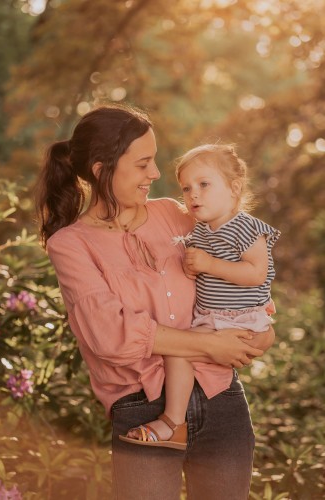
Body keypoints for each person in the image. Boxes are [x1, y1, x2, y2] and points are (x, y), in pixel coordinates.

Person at [36, 104, 273, 500]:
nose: (157, 174)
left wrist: (260, 321)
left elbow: (238, 264)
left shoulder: (173, 214)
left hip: (221, 398)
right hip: (140, 410)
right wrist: (211, 344)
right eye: (143, 163)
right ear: (101, 169)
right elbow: (110, 336)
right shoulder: (71, 245)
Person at [121, 143, 280, 453]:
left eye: (204, 184)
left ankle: (171, 422)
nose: (193, 194)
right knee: (180, 352)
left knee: (179, 353)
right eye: (186, 188)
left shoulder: (246, 228)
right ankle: (176, 424)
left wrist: (208, 265)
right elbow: (202, 271)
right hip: (215, 319)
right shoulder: (202, 231)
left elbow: (257, 273)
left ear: (234, 188)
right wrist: (194, 270)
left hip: (239, 318)